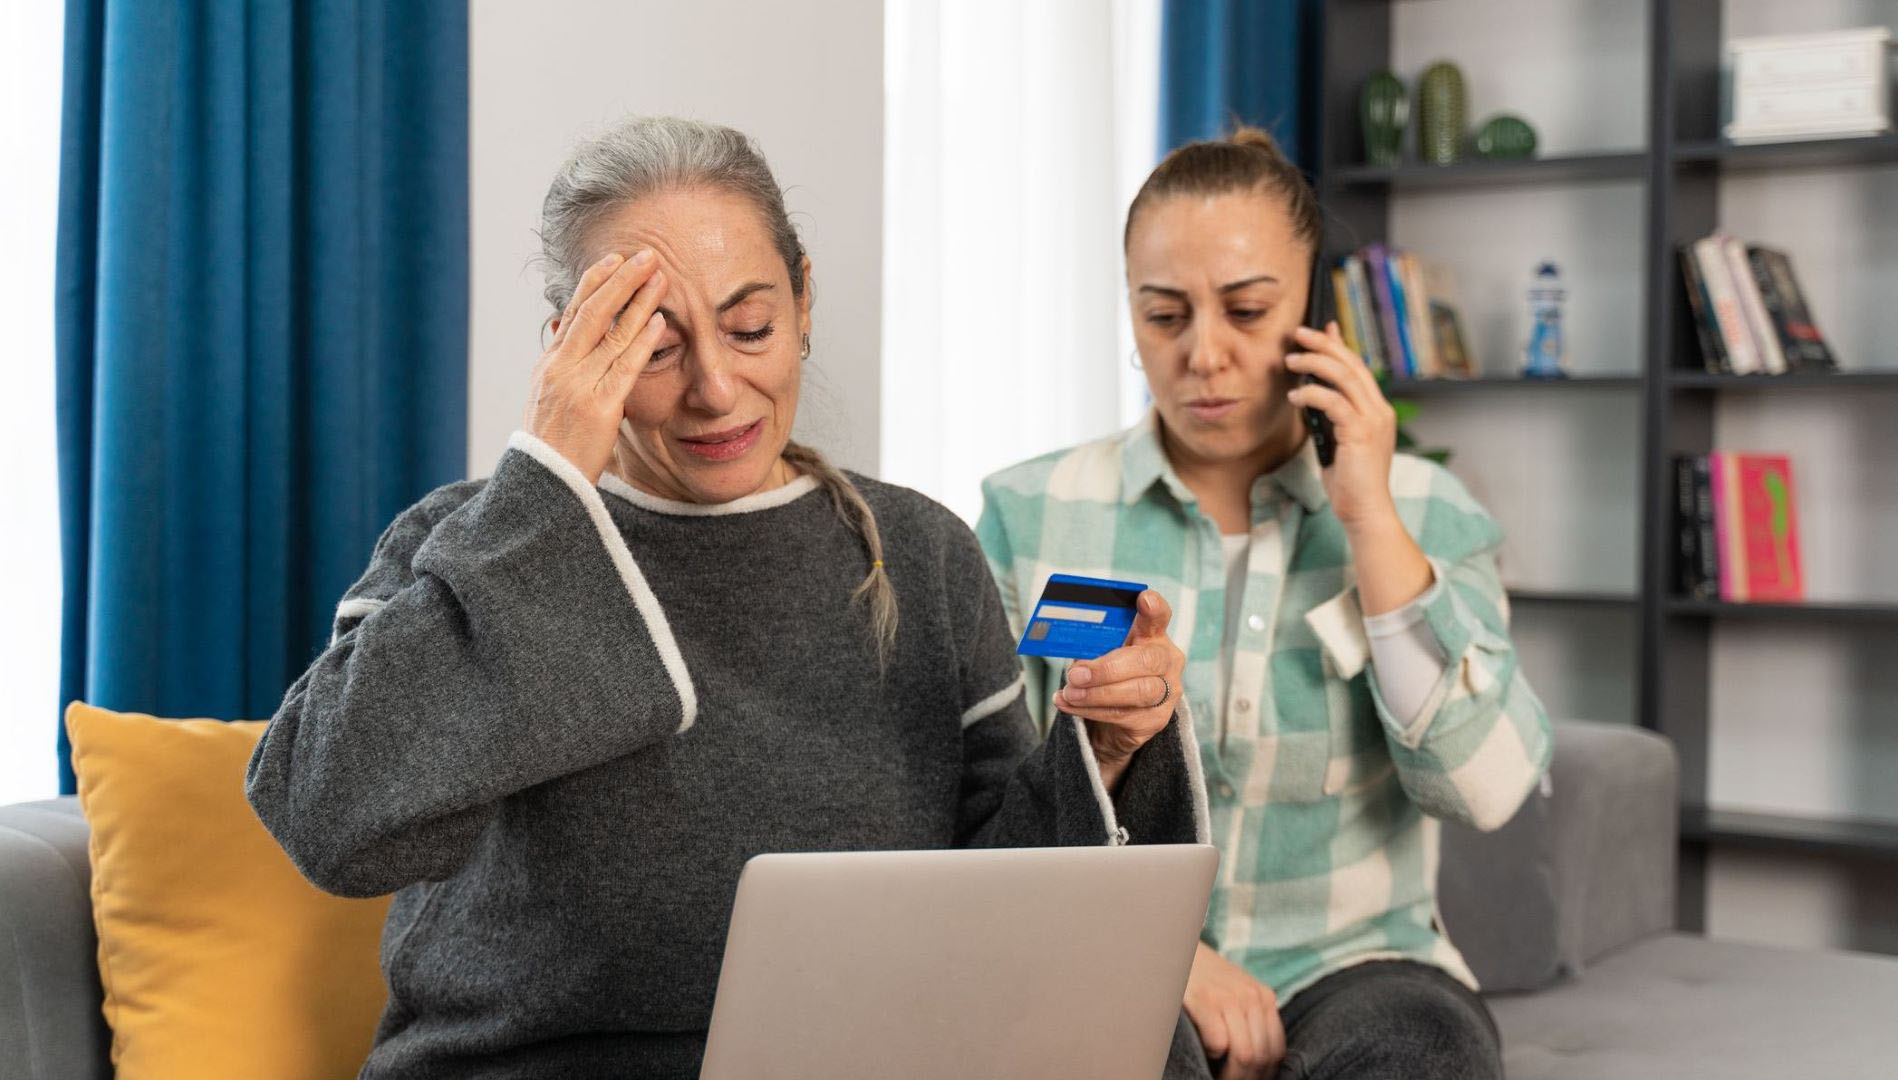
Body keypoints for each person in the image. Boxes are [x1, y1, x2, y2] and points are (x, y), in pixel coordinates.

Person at [245, 116, 1212, 1079]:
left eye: (751, 328)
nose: (716, 387)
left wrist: (1110, 750)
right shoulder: (472, 541)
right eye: (654, 347)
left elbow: (1005, 905)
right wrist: (546, 478)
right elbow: (332, 822)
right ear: (573, 351)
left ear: (802, 302)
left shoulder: (922, 554)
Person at [976, 128, 1552, 1080]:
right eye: (1164, 316)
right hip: (1114, 954)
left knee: (1423, 1059)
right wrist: (1171, 959)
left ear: (1314, 310)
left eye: (1247, 310)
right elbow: (996, 807)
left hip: (1361, 963)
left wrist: (1367, 515)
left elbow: (1487, 789)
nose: (1205, 354)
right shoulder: (1030, 512)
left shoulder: (1427, 511)